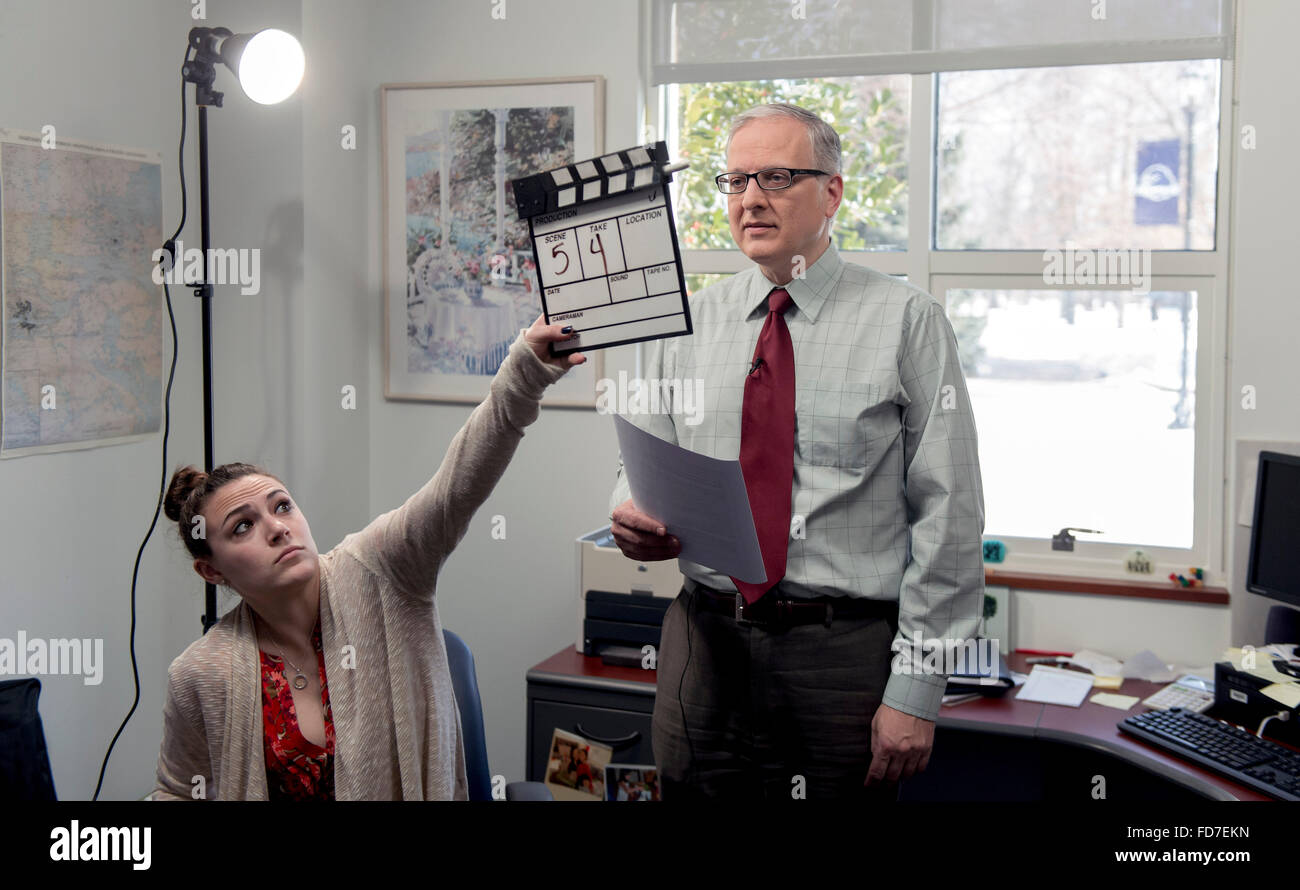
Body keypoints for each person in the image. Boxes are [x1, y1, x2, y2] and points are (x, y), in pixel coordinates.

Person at [608, 103, 986, 800]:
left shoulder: (907, 323)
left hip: (839, 657)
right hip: (704, 641)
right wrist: (627, 513)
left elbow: (950, 517)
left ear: (833, 192)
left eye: (777, 178)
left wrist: (918, 688)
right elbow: (638, 463)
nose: (751, 199)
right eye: (735, 180)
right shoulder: (684, 324)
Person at [153, 316, 583, 800]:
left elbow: (455, 487)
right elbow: (177, 791)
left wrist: (524, 372)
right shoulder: (200, 674)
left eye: (281, 506)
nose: (277, 528)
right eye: (243, 526)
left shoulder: (381, 566)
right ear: (211, 571)